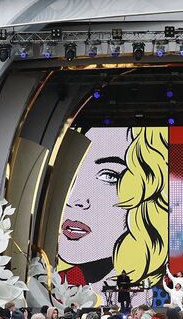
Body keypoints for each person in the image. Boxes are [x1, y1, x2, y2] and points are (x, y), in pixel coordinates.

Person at [57, 127, 170, 308]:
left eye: (108, 175)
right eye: (70, 176)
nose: (74, 199)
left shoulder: (152, 293)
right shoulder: (56, 284)